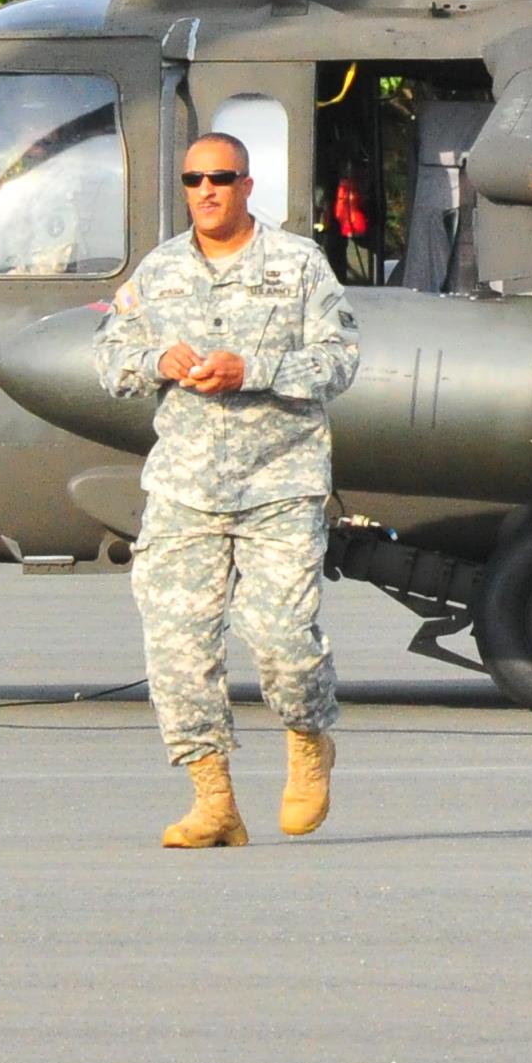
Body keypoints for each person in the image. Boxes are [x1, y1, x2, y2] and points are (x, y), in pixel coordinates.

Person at [95, 131, 365, 848]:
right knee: (178, 647)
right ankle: (214, 799)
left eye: (220, 177)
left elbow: (340, 361)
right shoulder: (159, 273)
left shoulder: (296, 265)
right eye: (193, 179)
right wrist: (157, 357)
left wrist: (254, 368)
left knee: (280, 638)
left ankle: (309, 738)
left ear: (248, 186)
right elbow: (111, 359)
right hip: (186, 487)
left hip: (281, 480)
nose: (206, 190)